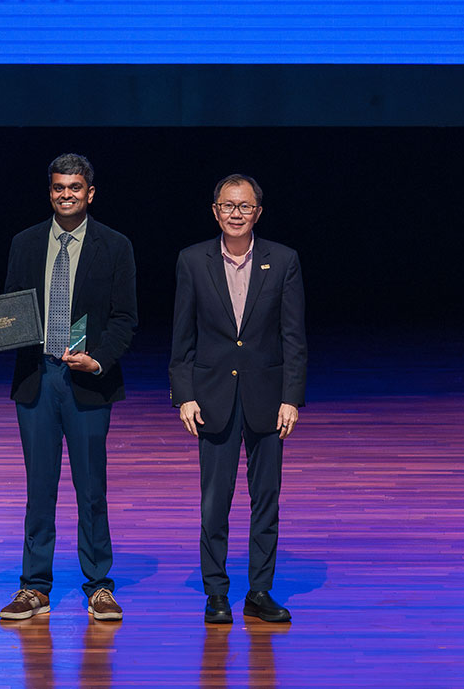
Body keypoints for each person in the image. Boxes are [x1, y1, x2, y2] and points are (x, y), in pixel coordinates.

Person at [0, 153, 137, 622]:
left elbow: (125, 319)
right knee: (39, 489)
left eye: (75, 187)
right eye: (58, 187)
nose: (66, 194)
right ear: (49, 190)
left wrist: (98, 359)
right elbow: (13, 312)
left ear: (90, 193)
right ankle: (34, 587)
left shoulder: (115, 245)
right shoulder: (26, 242)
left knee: (91, 488)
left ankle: (99, 584)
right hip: (37, 378)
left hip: (86, 378)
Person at [169, 174, 306, 624]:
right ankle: (216, 593)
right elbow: (182, 338)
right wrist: (184, 396)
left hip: (268, 398)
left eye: (244, 207)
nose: (236, 214)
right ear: (215, 211)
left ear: (258, 213)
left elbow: (293, 338)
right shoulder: (192, 261)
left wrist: (292, 398)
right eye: (228, 206)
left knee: (266, 498)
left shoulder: (283, 261)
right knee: (216, 501)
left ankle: (260, 591)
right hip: (213, 397)